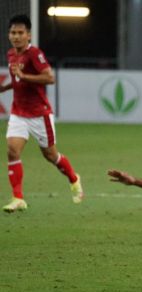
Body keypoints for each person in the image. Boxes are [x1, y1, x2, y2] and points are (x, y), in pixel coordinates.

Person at [0, 14, 83, 212]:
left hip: (39, 114)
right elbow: (20, 80)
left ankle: (73, 178)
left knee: (50, 155)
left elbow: (49, 78)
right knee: (12, 150)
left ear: (29, 35)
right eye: (13, 32)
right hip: (19, 112)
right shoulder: (11, 54)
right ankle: (18, 198)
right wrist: (7, 87)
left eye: (21, 33)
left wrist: (23, 76)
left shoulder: (35, 54)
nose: (16, 36)